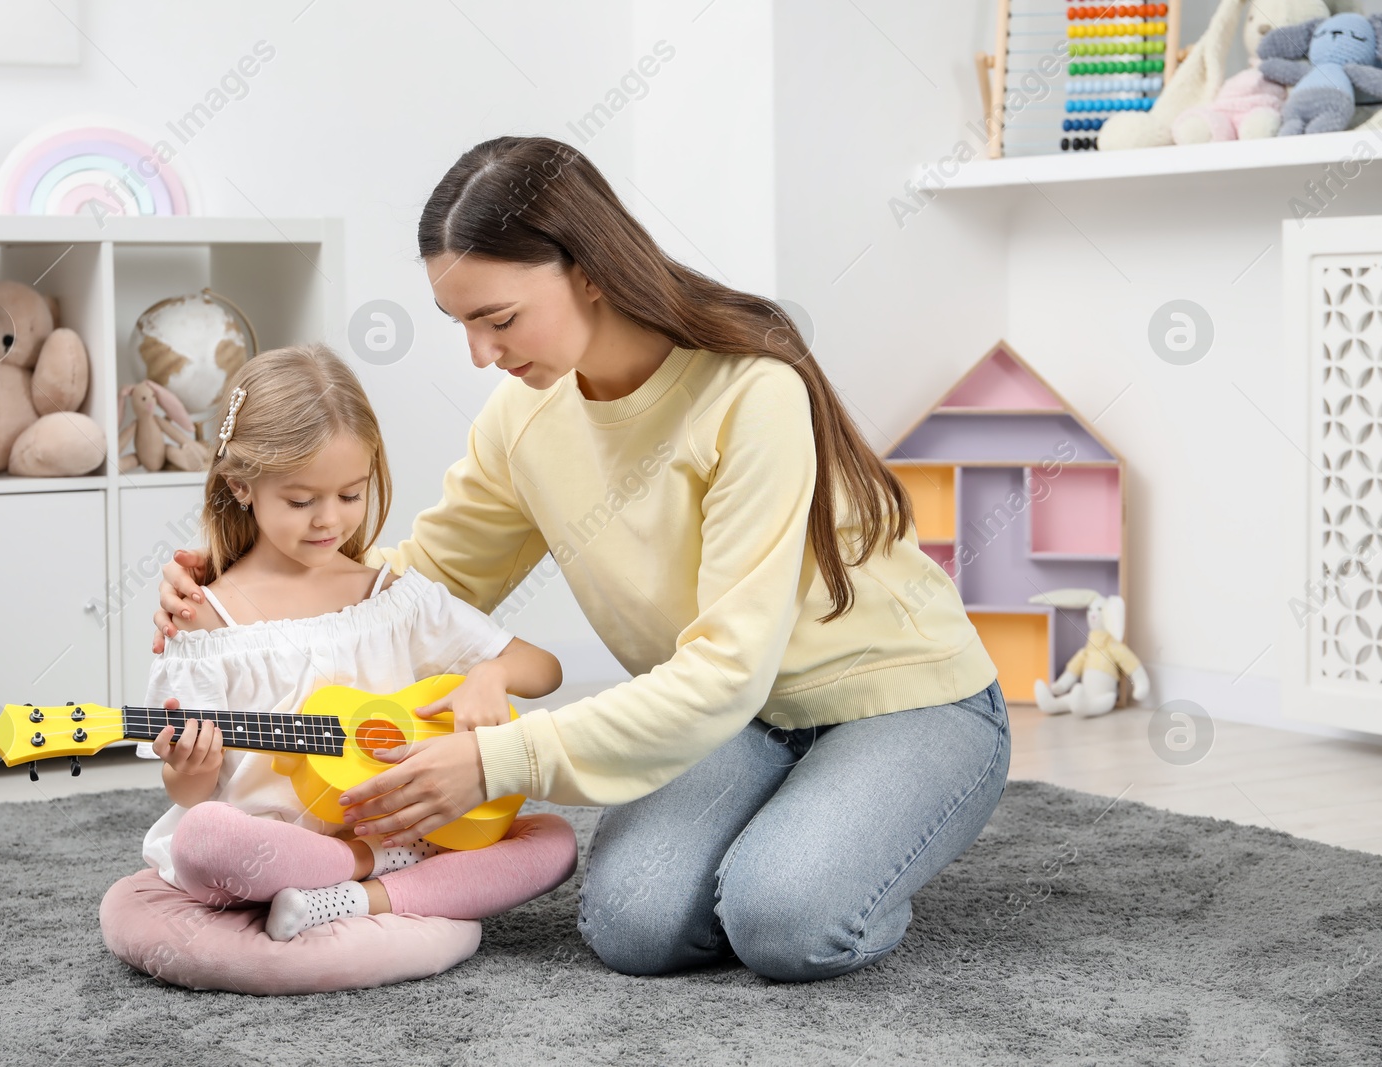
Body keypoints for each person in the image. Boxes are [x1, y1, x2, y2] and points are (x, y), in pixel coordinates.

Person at [155, 136, 1009, 983]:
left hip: (902, 701)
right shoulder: (523, 421)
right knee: (633, 926)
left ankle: (833, 848)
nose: (480, 355)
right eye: (462, 324)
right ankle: (794, 830)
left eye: (499, 319)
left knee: (782, 919)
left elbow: (729, 669)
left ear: (590, 269)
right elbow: (421, 582)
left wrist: (500, 758)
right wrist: (251, 580)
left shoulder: (751, 393)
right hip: (737, 725)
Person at [112, 343, 576, 985]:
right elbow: (189, 794)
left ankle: (355, 892)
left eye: (351, 495)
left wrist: (489, 675)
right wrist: (192, 767)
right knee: (204, 841)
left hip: (408, 830)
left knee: (553, 841)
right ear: (241, 484)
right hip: (274, 843)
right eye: (301, 501)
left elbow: (542, 668)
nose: (329, 520)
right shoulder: (205, 622)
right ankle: (371, 878)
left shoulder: (392, 597)